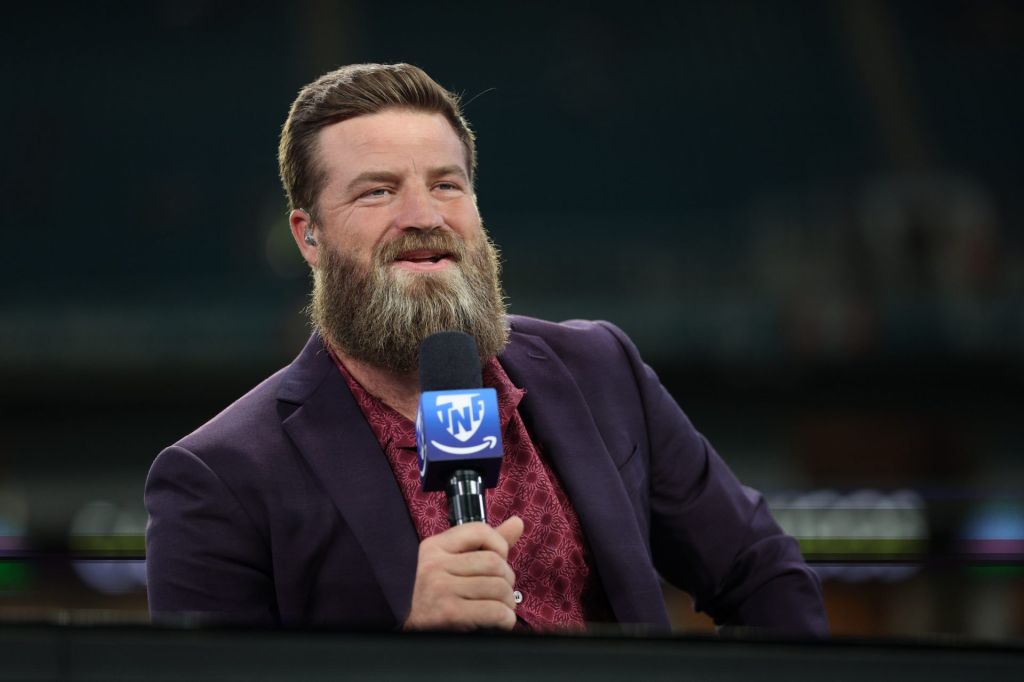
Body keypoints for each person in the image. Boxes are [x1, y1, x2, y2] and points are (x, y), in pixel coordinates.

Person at [144, 63, 828, 635]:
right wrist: (410, 648)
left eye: (446, 184)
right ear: (309, 235)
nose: (424, 216)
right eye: (378, 191)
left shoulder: (600, 370)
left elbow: (759, 569)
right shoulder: (216, 480)